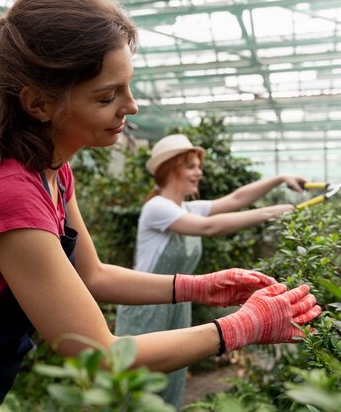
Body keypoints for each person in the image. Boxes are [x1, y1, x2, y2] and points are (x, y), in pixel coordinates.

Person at [0, 0, 321, 411]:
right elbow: (101, 355)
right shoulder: (2, 194)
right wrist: (242, 327)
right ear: (39, 103)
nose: (130, 107)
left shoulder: (50, 170)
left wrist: (201, 286)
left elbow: (92, 275)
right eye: (106, 97)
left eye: (127, 88)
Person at [115, 134, 310, 409]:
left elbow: (237, 199)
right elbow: (210, 227)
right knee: (135, 384)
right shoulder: (157, 208)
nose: (199, 172)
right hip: (145, 308)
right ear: (171, 168)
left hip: (175, 306)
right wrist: (272, 213)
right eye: (192, 166)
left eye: (198, 166)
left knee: (169, 384)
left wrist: (279, 179)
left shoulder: (187, 208)